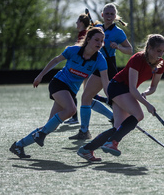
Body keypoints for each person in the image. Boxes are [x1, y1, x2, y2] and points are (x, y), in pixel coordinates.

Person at [9, 27, 109, 158]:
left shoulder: (100, 60)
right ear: (88, 39)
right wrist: (40, 76)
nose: (99, 43)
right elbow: (55, 60)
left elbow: (105, 81)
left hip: (71, 91)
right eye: (96, 40)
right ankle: (40, 134)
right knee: (71, 109)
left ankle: (19, 145)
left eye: (102, 41)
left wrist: (112, 98)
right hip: (58, 83)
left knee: (51, 126)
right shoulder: (73, 50)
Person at [77, 34, 164, 161]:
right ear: (149, 48)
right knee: (139, 115)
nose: (160, 54)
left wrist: (145, 93)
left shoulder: (160, 63)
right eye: (158, 51)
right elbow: (132, 89)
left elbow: (153, 87)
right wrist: (147, 105)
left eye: (163, 51)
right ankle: (112, 142)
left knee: (118, 128)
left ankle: (87, 149)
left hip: (125, 91)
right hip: (117, 87)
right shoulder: (138, 59)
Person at [69, 2, 133, 140]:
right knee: (86, 97)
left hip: (109, 65)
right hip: (97, 65)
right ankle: (85, 131)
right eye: (107, 13)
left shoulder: (118, 32)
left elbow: (130, 50)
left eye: (112, 14)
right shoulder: (97, 28)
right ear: (102, 15)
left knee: (112, 99)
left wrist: (117, 47)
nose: (109, 16)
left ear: (115, 16)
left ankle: (120, 120)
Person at [64, 13, 91, 125]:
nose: (76, 23)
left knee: (83, 94)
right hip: (84, 68)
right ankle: (74, 117)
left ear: (82, 23)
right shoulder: (83, 34)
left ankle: (74, 118)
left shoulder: (83, 35)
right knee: (86, 94)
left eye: (78, 21)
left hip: (83, 69)